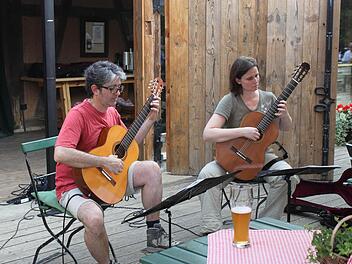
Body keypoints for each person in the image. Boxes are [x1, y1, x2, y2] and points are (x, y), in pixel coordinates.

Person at [54, 61, 166, 264]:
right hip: (73, 186)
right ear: (95, 89)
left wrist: (150, 119)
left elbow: (128, 145)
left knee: (152, 169)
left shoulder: (112, 112)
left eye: (119, 88)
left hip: (108, 181)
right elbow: (60, 154)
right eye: (113, 88)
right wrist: (102, 161)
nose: (118, 93)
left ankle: (154, 236)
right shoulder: (77, 115)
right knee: (95, 219)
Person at [197, 56, 300, 234]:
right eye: (250, 78)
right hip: (232, 156)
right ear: (238, 80)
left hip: (262, 156)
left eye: (257, 76)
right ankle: (211, 229)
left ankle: (265, 225)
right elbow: (208, 133)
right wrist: (242, 131)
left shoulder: (269, 99)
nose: (256, 80)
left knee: (289, 177)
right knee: (207, 175)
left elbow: (286, 128)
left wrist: (285, 115)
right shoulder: (230, 101)